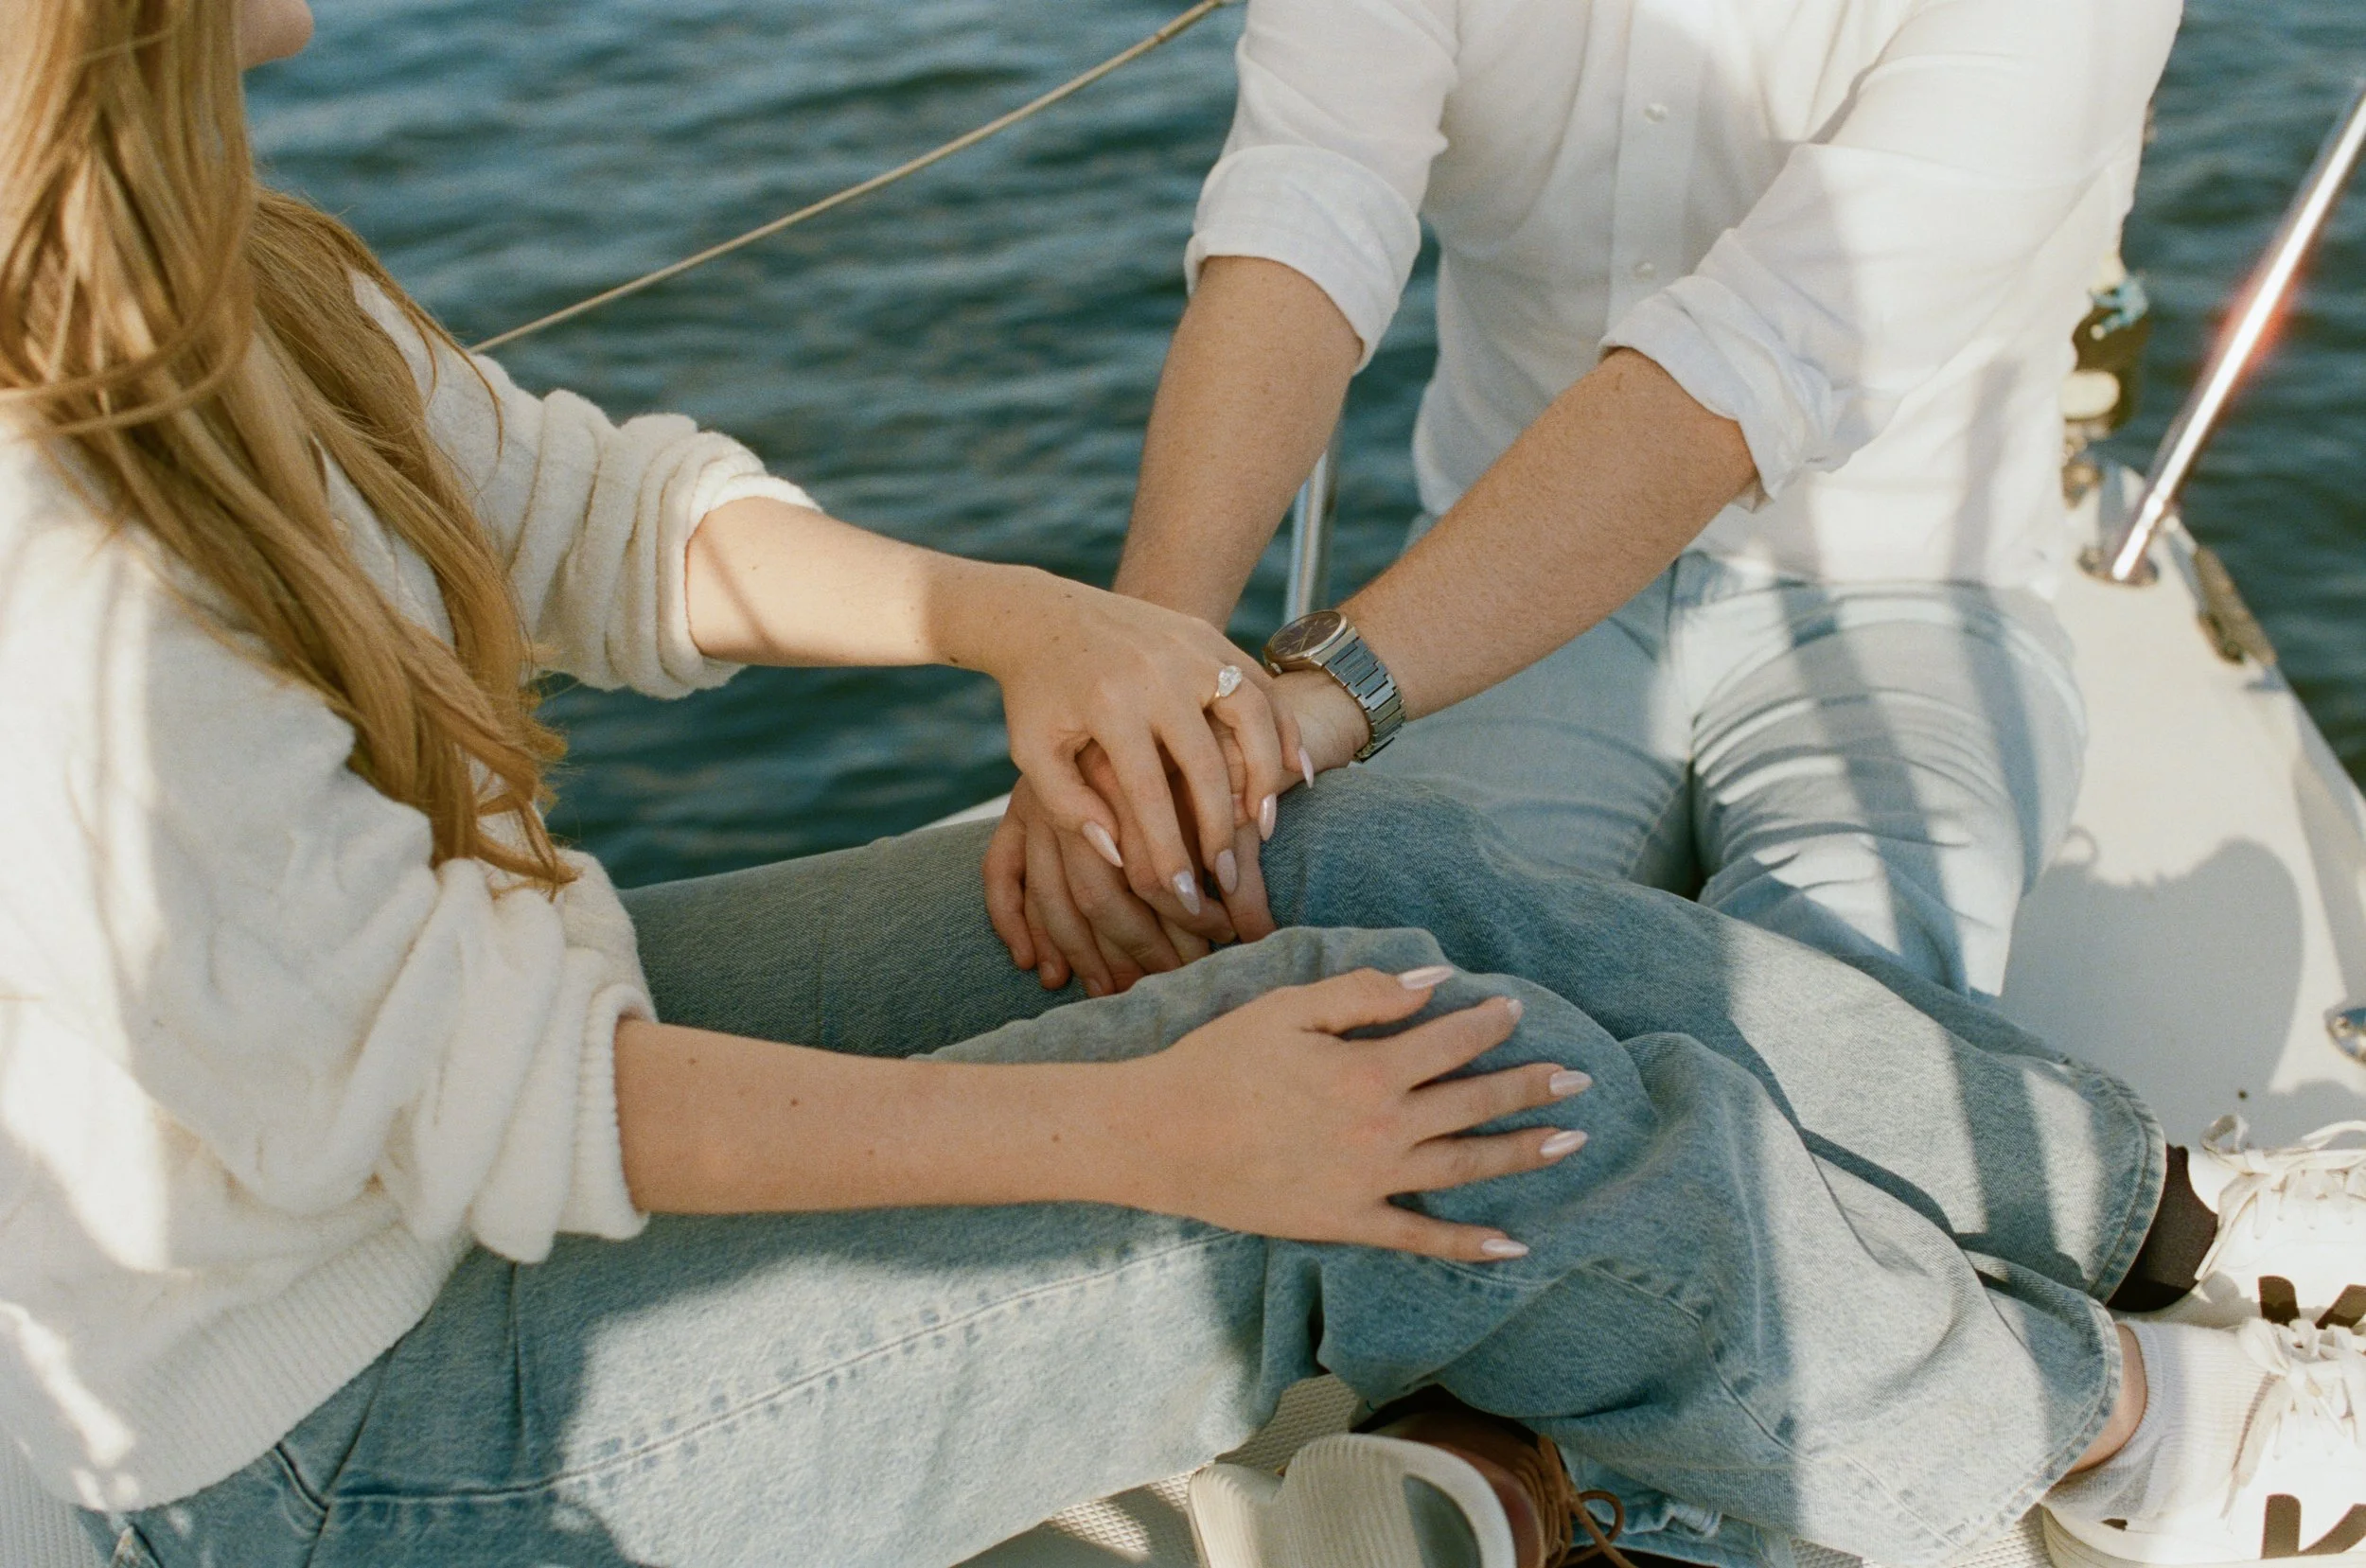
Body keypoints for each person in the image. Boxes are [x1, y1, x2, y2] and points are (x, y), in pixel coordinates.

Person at [6, 5, 2364, 1568]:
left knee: (1352, 864)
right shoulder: (55, 584)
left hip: (444, 1151)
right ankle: (2098, 1434)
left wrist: (1058, 636)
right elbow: (513, 1097)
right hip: (316, 1444)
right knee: (1428, 1116)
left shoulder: (221, 286)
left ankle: (2148, 1204)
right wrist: (1159, 1138)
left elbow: (573, 512)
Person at [983, 0, 2181, 1009]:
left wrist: (1317, 707)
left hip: (1906, 584)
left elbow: (1752, 357)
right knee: (1412, 1003)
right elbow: (1306, 210)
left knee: (1844, 1001)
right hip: (1494, 594)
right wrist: (1133, 691)